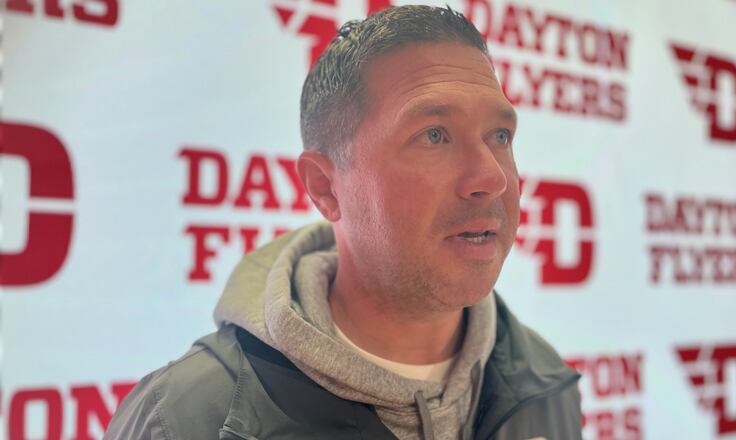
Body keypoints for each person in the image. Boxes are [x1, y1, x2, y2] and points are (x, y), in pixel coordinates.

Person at [106, 5, 582, 439]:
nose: (491, 177)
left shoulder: (546, 384)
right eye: (434, 135)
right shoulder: (186, 420)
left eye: (500, 134)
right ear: (325, 187)